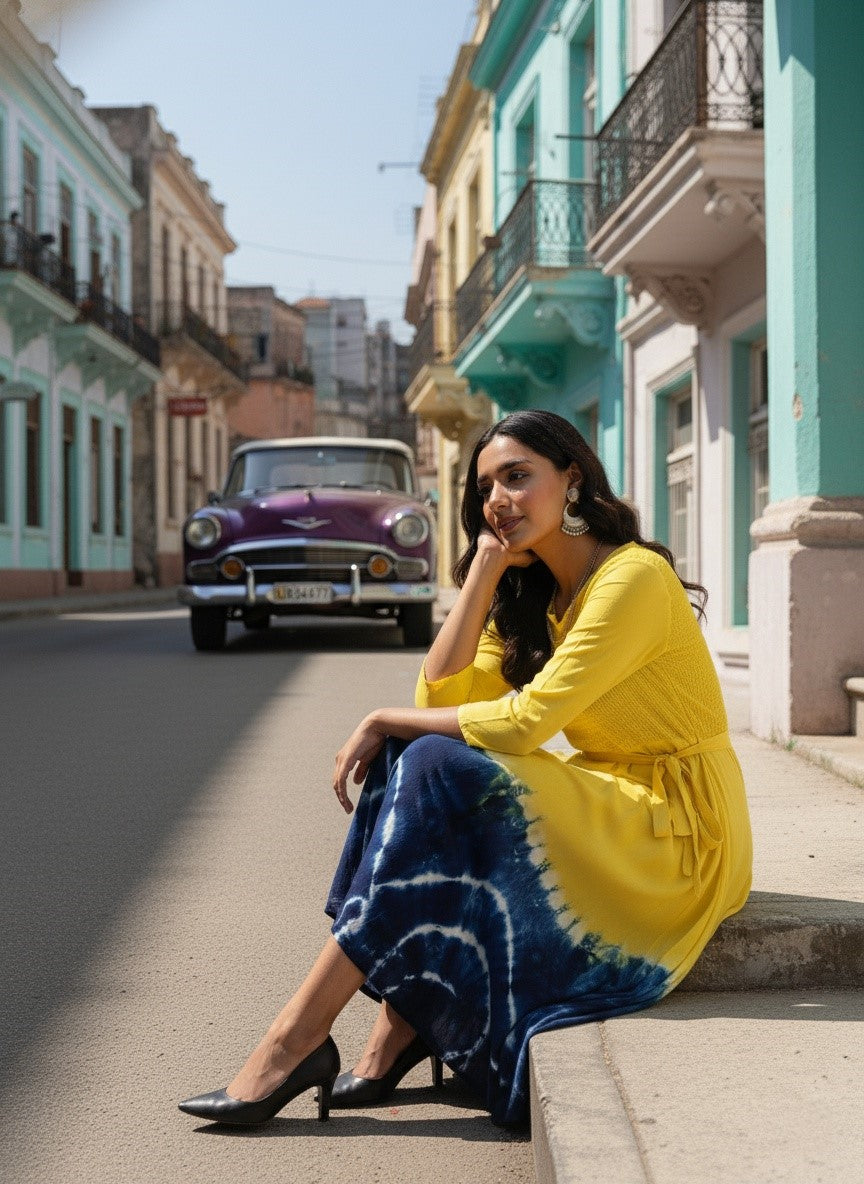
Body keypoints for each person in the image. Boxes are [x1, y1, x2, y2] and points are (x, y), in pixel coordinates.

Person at [178, 409, 752, 1128]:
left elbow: (527, 722)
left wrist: (385, 716)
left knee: (431, 760)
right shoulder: (538, 591)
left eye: (518, 478)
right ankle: (391, 1020)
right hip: (620, 803)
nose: (499, 501)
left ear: (571, 480)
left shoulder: (630, 578)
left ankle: (298, 1038)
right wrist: (484, 567)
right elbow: (441, 695)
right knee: (415, 753)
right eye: (486, 489)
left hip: (681, 831)